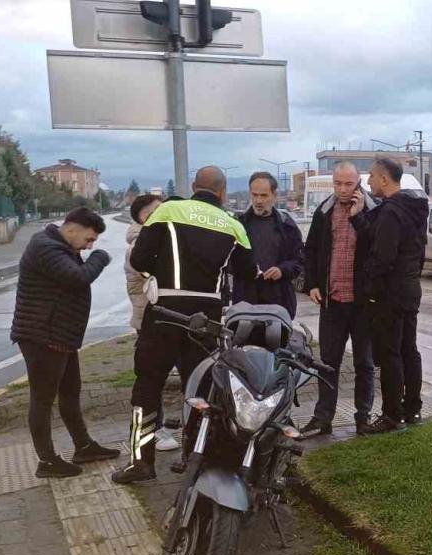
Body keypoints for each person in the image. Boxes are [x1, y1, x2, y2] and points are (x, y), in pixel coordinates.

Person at [113, 167, 256, 484]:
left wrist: (162, 271)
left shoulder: (167, 211)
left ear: (194, 187)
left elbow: (138, 260)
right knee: (201, 389)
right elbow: (249, 270)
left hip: (164, 312)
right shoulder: (234, 225)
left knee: (147, 386)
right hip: (206, 320)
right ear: (221, 193)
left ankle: (141, 462)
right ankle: (194, 457)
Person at [10, 207, 120, 478]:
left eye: (93, 243)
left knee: (71, 391)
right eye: (89, 239)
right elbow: (78, 278)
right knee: (42, 399)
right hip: (42, 336)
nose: (89, 245)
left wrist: (89, 254)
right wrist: (100, 257)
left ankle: (83, 446)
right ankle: (47, 461)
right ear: (72, 229)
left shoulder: (60, 247)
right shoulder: (46, 248)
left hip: (59, 336)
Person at [299, 162, 382, 437]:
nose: (343, 189)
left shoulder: (374, 210)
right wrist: (311, 284)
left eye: (349, 184)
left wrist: (359, 215)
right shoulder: (324, 211)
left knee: (364, 363)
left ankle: (363, 417)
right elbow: (310, 250)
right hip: (332, 301)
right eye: (338, 184)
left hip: (362, 304)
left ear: (359, 182)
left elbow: (378, 249)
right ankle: (323, 419)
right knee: (327, 362)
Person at [354, 158, 429, 432]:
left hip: (391, 293)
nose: (369, 182)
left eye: (372, 176)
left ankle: (391, 415)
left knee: (390, 354)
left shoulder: (391, 212)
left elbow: (382, 256)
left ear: (385, 179)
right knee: (410, 350)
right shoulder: (414, 208)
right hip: (410, 289)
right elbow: (418, 250)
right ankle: (413, 409)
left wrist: (369, 290)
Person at [124, 193, 181, 452]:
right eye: (160, 210)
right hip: (149, 320)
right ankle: (151, 434)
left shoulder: (155, 237)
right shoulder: (139, 244)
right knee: (149, 382)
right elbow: (157, 271)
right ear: (145, 217)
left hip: (167, 318)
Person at [233, 172, 305, 318]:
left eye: (264, 195)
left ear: (274, 195)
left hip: (278, 304)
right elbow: (228, 261)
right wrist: (247, 268)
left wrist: (281, 270)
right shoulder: (239, 225)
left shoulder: (287, 226)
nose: (258, 200)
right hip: (245, 304)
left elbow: (299, 261)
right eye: (255, 195)